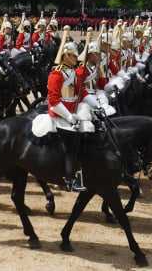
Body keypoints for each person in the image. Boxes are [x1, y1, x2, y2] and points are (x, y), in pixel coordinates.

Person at [47, 33, 102, 192]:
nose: (75, 58)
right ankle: (69, 179)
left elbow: (81, 92)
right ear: (65, 56)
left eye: (76, 56)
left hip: (72, 113)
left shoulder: (72, 72)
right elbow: (53, 100)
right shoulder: (56, 73)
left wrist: (96, 104)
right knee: (72, 143)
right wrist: (69, 116)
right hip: (59, 114)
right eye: (72, 56)